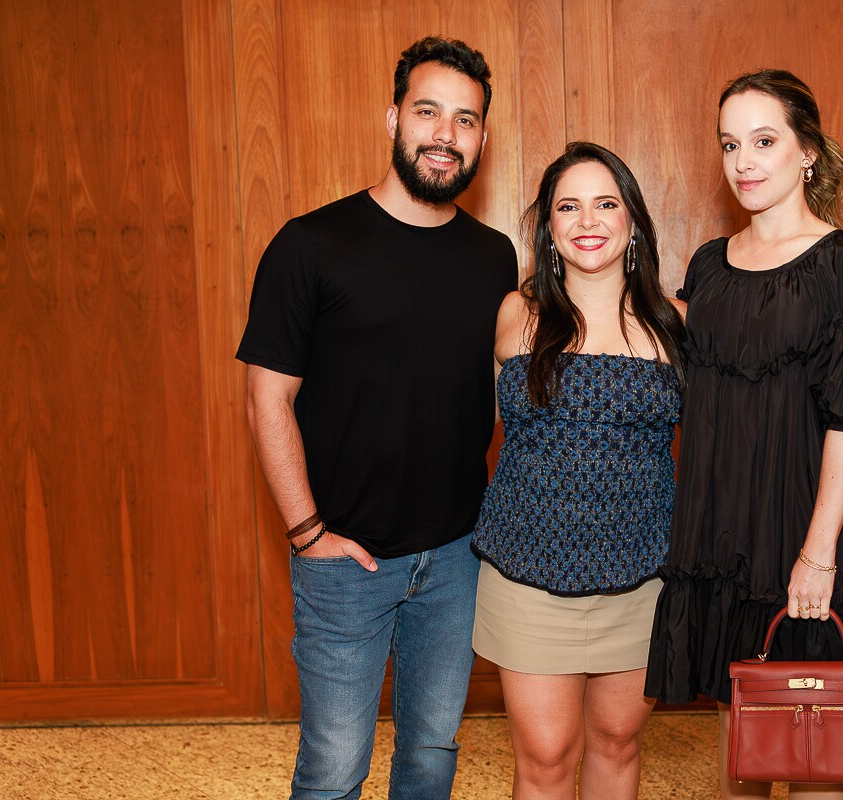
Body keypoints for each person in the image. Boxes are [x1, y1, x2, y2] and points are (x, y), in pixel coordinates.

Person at [235, 37, 517, 800]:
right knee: (333, 772)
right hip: (343, 564)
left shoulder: (495, 259)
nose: (445, 135)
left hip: (457, 558)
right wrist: (307, 533)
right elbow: (268, 400)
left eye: (465, 120)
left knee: (431, 755)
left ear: (483, 138)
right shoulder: (310, 245)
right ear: (393, 117)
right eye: (428, 112)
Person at [644, 70, 843, 800]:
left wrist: (817, 555)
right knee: (746, 754)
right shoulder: (707, 267)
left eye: (764, 140)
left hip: (806, 534)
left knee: (818, 757)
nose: (744, 162)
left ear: (808, 151)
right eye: (730, 144)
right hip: (721, 534)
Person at [470, 141, 686, 800]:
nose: (587, 220)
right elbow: (466, 430)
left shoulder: (674, 327)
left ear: (633, 224)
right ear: (550, 229)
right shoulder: (519, 315)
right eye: (568, 206)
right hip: (528, 572)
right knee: (545, 754)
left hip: (643, 575)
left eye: (605, 203)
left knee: (618, 742)